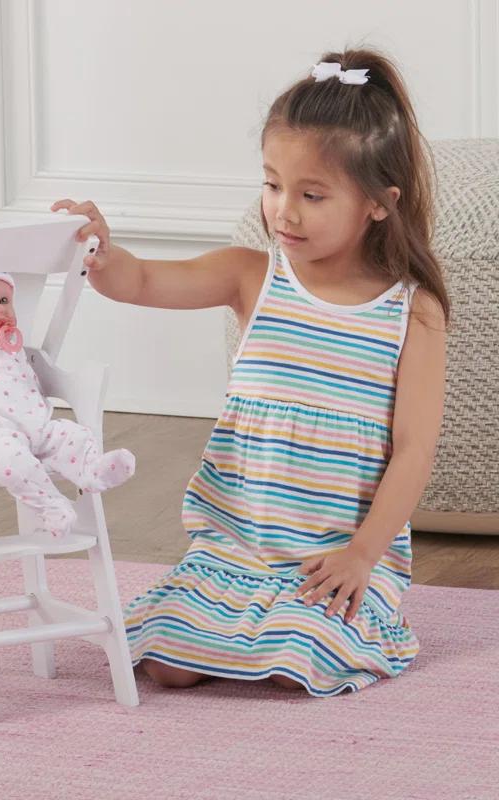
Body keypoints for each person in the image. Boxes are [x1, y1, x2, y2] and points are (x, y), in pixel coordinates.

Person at [51, 47, 449, 695]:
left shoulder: (413, 311)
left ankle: (319, 619)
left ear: (380, 203)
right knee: (166, 664)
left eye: (312, 194)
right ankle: (213, 615)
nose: (283, 211)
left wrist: (362, 554)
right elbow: (142, 281)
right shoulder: (252, 275)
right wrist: (102, 247)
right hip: (236, 550)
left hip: (335, 556)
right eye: (272, 185)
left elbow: (413, 449)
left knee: (299, 663)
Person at [0, 272, 135, 538]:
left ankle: (92, 470)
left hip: (37, 428)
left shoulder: (11, 348)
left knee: (71, 433)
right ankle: (52, 505)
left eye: (4, 300)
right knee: (12, 459)